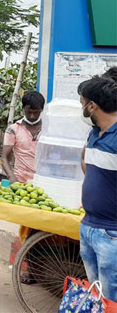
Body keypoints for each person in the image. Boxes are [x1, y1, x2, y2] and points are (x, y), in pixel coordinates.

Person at [77, 76, 117, 302]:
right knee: (97, 296)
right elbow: (88, 165)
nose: (81, 108)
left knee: (112, 298)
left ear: (92, 106)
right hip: (89, 226)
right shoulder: (94, 133)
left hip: (111, 234)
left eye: (82, 102)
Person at [1, 91, 45, 183]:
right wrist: (11, 176)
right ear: (23, 109)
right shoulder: (13, 129)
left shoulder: (48, 129)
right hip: (20, 179)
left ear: (42, 110)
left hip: (43, 179)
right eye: (28, 112)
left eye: (36, 113)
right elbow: (4, 157)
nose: (32, 116)